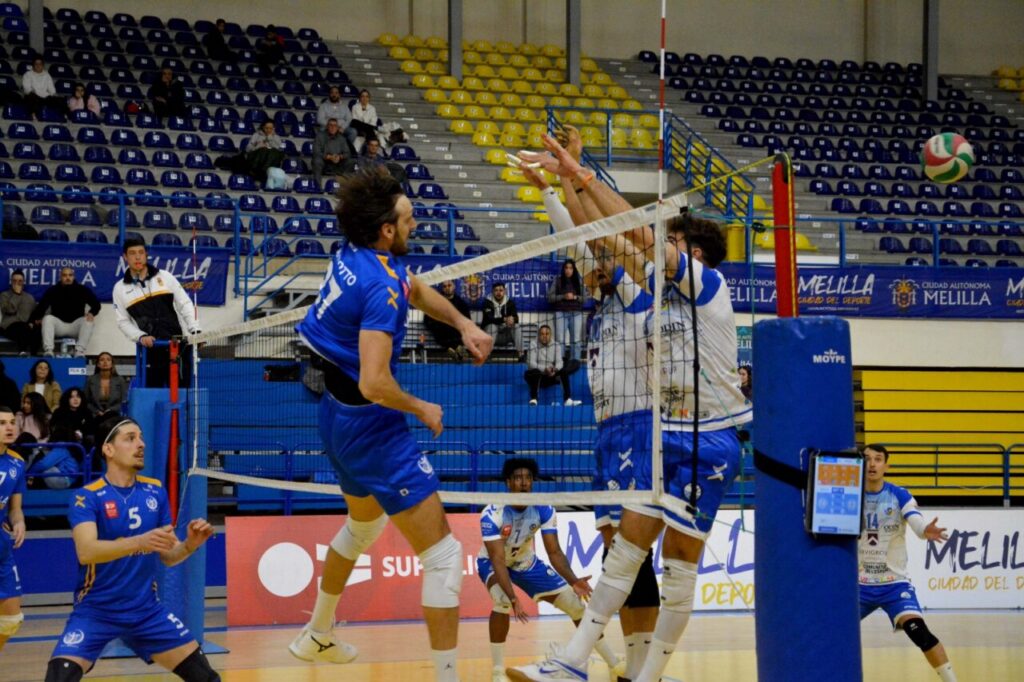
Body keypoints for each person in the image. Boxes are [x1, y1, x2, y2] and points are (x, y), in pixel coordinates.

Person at [508, 132, 751, 682]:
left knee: (677, 569)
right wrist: (567, 181)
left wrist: (582, 175)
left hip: (706, 436)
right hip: (662, 433)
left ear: (696, 255)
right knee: (624, 555)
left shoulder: (706, 286)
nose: (657, 251)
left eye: (673, 244)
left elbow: (630, 237)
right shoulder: (654, 292)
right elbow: (600, 240)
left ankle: (645, 674)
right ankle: (577, 664)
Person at [291, 167, 493, 681]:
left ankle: (317, 633)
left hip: (335, 419)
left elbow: (417, 290)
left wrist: (466, 323)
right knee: (445, 556)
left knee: (362, 527)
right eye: (407, 217)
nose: (415, 222)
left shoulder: (357, 255)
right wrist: (421, 408)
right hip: (371, 423)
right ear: (386, 229)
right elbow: (375, 384)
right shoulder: (380, 287)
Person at [525, 156, 662, 681]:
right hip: (606, 435)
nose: (594, 270)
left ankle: (606, 660)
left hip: (637, 427)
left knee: (627, 556)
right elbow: (576, 241)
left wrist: (570, 174)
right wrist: (547, 192)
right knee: (619, 555)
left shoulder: (635, 300)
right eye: (590, 269)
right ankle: (637, 660)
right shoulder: (598, 311)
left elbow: (590, 236)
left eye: (602, 265)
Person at [45, 415, 218, 682]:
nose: (141, 444)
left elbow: (170, 557)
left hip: (146, 611)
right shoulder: (87, 497)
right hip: (96, 610)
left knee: (206, 678)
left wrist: (190, 545)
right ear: (108, 449)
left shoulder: (155, 492)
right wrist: (139, 542)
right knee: (58, 677)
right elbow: (87, 551)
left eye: (141, 437)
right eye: (130, 438)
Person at [478, 458, 622, 682]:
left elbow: (554, 552)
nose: (524, 483)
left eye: (528, 478)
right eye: (518, 478)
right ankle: (497, 672)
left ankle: (615, 665)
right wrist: (514, 596)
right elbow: (497, 559)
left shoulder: (543, 509)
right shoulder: (492, 513)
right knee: (502, 601)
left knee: (576, 606)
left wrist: (573, 581)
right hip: (492, 562)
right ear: (508, 482)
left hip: (525, 562)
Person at [859, 444, 957, 682]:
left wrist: (925, 530)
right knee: (829, 631)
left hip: (894, 584)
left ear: (886, 465)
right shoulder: (850, 494)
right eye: (867, 459)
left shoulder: (899, 494)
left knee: (919, 633)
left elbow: (915, 521)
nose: (872, 464)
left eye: (878, 459)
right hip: (858, 585)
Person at [112, 238, 201, 389]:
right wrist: (140, 336)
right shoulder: (119, 289)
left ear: (146, 254)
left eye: (141, 252)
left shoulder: (165, 276)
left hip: (178, 347)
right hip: (150, 352)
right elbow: (123, 322)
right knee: (152, 396)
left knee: (182, 395)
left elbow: (184, 303)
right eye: (132, 253)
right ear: (125, 257)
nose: (137, 257)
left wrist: (195, 329)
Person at [0, 403, 26, 653]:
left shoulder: (16, 463)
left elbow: (15, 507)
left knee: (10, 618)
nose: (9, 427)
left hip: (2, 544)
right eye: (1, 423)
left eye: (11, 422)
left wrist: (19, 522)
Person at [30, 267, 101, 357]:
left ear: (73, 276)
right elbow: (42, 307)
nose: (67, 278)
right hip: (59, 326)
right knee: (47, 318)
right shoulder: (53, 290)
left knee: (88, 320)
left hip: (75, 326)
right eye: (64, 275)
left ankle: (79, 352)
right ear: (60, 277)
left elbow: (96, 304)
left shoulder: (82, 290)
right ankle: (48, 351)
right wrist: (36, 319)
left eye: (70, 275)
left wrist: (92, 312)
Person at [523, 325, 579, 407]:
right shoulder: (533, 344)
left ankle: (567, 400)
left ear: (550, 335)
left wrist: (555, 369)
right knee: (534, 371)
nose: (544, 336)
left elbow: (560, 362)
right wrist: (545, 369)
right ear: (539, 335)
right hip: (536, 377)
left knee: (565, 369)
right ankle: (534, 399)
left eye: (547, 334)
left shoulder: (556, 345)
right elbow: (531, 363)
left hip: (551, 376)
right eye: (542, 334)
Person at [546, 259, 585, 362]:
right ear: (563, 269)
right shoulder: (557, 280)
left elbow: (585, 298)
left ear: (574, 270)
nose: (568, 270)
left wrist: (575, 297)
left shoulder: (579, 281)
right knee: (559, 340)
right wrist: (563, 296)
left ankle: (575, 362)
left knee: (576, 340)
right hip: (560, 313)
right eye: (566, 268)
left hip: (576, 313)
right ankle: (560, 362)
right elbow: (550, 298)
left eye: (570, 268)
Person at [424, 280, 472, 360]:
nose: (447, 288)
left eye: (449, 285)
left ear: (454, 286)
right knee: (442, 328)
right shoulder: (436, 301)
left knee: (457, 329)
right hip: (441, 330)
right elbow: (427, 319)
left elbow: (467, 319)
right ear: (442, 289)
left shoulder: (461, 303)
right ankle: (456, 348)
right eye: (445, 286)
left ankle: (450, 348)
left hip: (455, 331)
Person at [1, 269, 40, 355]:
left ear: (23, 282)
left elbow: (35, 312)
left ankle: (34, 356)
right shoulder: (4, 295)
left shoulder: (29, 297)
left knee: (36, 330)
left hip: (26, 325)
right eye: (14, 281)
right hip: (8, 326)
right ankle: (22, 352)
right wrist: (16, 294)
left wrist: (33, 321)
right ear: (11, 282)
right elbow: (9, 310)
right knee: (22, 328)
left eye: (20, 281)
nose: (17, 283)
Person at [482, 283, 523, 359]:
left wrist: (512, 319)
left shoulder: (510, 303)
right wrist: (504, 319)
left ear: (505, 291)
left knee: (516, 326)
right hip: (490, 336)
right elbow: (489, 319)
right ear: (492, 292)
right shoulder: (487, 303)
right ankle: (486, 355)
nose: (498, 293)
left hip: (505, 336)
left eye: (501, 290)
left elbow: (516, 318)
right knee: (491, 326)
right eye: (496, 290)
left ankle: (521, 355)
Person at [84, 352, 127, 422]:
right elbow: (86, 401)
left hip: (114, 415)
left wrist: (110, 410)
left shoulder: (120, 380)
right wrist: (96, 411)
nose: (105, 362)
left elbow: (123, 401)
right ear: (98, 364)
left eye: (108, 360)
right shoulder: (91, 380)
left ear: (112, 364)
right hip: (95, 415)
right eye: (102, 360)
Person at [244, 120, 286, 185]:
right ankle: (259, 170)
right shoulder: (256, 135)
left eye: (271, 128)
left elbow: (279, 150)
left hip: (272, 158)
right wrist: (258, 146)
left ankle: (264, 170)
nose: (268, 130)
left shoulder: (276, 137)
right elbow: (248, 149)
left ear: (273, 129)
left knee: (273, 152)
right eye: (266, 128)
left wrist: (270, 138)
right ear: (263, 128)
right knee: (263, 150)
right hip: (257, 157)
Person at [317, 86, 357, 152]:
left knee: (353, 132)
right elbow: (320, 119)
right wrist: (332, 126)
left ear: (339, 95)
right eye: (332, 93)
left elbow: (349, 118)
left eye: (336, 93)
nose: (334, 95)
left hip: (341, 127)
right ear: (329, 94)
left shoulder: (344, 106)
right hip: (327, 127)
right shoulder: (323, 106)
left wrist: (343, 127)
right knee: (321, 131)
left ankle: (344, 149)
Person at [312, 117, 350, 185]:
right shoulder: (320, 136)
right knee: (317, 161)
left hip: (337, 163)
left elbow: (347, 153)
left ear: (338, 128)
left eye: (335, 125)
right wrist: (328, 157)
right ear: (327, 127)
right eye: (331, 125)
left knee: (350, 162)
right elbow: (316, 152)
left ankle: (346, 187)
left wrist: (340, 157)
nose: (333, 127)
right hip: (324, 162)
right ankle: (317, 187)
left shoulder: (342, 138)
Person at [22, 56, 62, 120]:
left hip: (44, 97)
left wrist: (52, 95)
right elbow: (27, 89)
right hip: (33, 96)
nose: (38, 66)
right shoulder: (27, 74)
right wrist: (35, 93)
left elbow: (52, 90)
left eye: (40, 64)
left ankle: (63, 116)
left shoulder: (47, 75)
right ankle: (33, 115)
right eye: (36, 64)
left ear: (43, 65)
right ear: (33, 65)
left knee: (59, 100)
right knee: (30, 97)